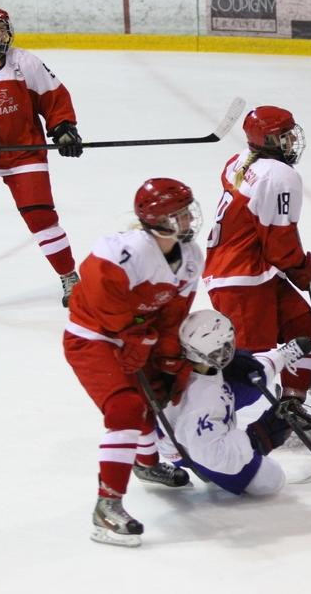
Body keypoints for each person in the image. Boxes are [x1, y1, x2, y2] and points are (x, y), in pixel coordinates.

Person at [63, 177, 204, 548]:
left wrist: (170, 357)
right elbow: (95, 298)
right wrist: (133, 333)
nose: (189, 219)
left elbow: (173, 316)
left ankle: (145, 463)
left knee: (153, 398)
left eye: (188, 211)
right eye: (179, 214)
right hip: (92, 338)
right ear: (157, 219)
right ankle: (107, 506)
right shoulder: (122, 252)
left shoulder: (191, 258)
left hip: (139, 336)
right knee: (125, 407)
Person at [0, 6, 84, 306]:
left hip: (24, 153)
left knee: (42, 217)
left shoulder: (25, 63)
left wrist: (64, 128)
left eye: (1, 27)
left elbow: (54, 99)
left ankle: (69, 276)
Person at [203, 105, 311, 399]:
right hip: (241, 280)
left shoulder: (240, 161)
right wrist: (303, 271)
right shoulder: (279, 175)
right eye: (284, 137)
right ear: (268, 141)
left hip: (255, 272)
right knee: (248, 365)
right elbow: (279, 243)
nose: (292, 142)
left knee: (303, 326)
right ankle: (212, 419)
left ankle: (292, 402)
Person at [157, 309, 311, 496]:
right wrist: (258, 437)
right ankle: (201, 470)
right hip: (187, 447)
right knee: (269, 480)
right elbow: (214, 455)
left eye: (227, 344)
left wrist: (275, 359)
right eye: (219, 349)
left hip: (198, 412)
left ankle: (278, 357)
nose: (226, 352)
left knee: (250, 375)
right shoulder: (201, 403)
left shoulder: (197, 366)